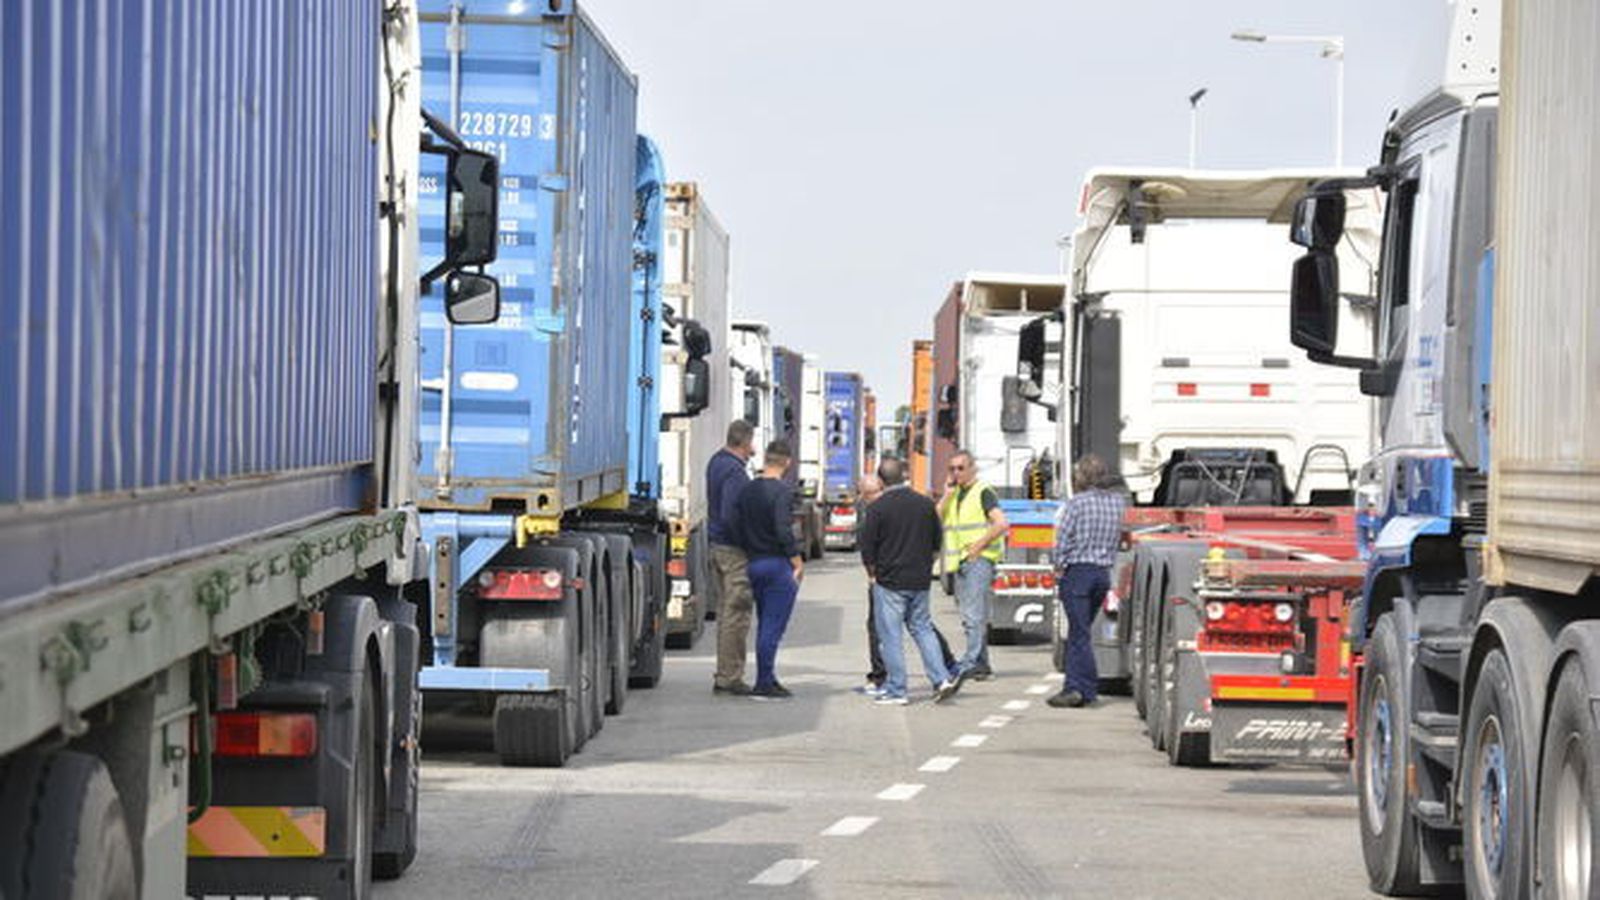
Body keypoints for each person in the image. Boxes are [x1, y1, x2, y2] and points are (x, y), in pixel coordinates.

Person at [859, 457, 961, 706]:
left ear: (881, 481)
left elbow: (867, 548)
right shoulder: (925, 504)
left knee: (891, 635)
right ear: (904, 475)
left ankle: (897, 689)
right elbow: (937, 541)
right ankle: (941, 678)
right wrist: (926, 565)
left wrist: (873, 574)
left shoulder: (877, 509)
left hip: (890, 580)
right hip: (919, 579)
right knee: (922, 628)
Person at [1048, 454, 1127, 708]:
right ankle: (1079, 686)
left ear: (1081, 477)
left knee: (1079, 633)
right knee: (1081, 631)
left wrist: (1058, 566)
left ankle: (1079, 688)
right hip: (1102, 574)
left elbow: (1063, 539)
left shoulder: (1076, 504)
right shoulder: (1117, 503)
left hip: (1078, 573)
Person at [733, 441, 805, 701]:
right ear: (787, 462)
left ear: (766, 459)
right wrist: (796, 561)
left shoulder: (748, 490)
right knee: (773, 627)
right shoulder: (783, 493)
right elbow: (784, 530)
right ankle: (764, 681)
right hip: (777, 564)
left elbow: (737, 523)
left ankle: (769, 676)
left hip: (754, 562)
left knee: (766, 622)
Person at [938, 450, 1008, 683]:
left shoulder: (983, 492)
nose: (956, 473)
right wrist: (947, 494)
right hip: (960, 561)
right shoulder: (955, 493)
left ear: (972, 469)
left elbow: (1001, 524)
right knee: (969, 614)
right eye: (952, 469)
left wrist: (978, 546)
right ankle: (981, 664)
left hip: (978, 560)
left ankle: (971, 662)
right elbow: (935, 517)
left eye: (960, 468)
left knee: (973, 615)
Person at [707, 420, 756, 696]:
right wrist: (748, 542)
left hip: (716, 546)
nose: (754, 449)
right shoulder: (735, 472)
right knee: (737, 614)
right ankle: (729, 677)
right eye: (752, 444)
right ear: (744, 443)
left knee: (727, 613)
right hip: (734, 551)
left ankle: (724, 672)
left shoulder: (716, 462)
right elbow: (731, 514)